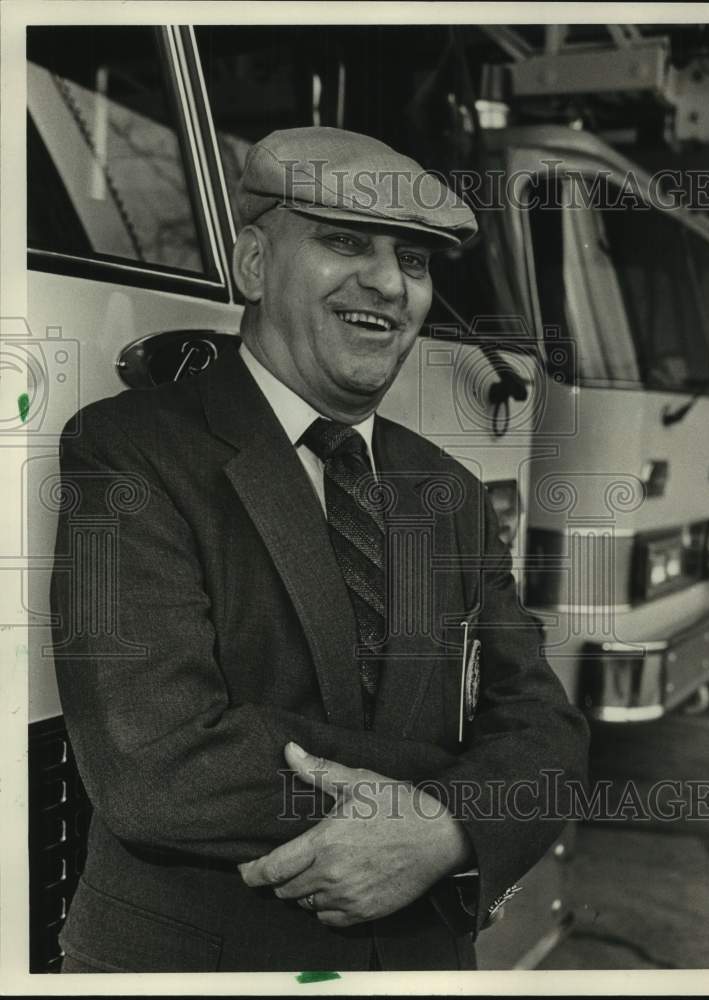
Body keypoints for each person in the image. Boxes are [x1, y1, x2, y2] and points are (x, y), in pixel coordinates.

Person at [50, 126, 589, 973]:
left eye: (414, 260)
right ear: (255, 264)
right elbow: (155, 761)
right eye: (344, 241)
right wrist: (447, 797)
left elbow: (543, 725)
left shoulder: (445, 487)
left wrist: (446, 831)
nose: (387, 282)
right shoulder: (128, 449)